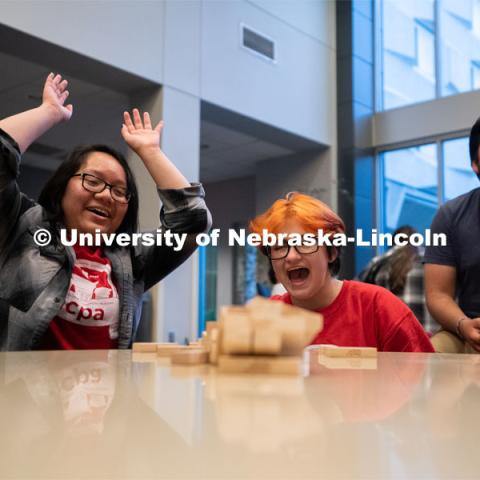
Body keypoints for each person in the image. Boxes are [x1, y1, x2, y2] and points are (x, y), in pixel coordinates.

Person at [0, 73, 211, 351]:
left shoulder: (133, 259)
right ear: (63, 187)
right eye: (93, 181)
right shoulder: (24, 228)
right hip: (22, 393)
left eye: (119, 190)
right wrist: (48, 112)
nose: (105, 195)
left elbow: (193, 222)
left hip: (109, 393)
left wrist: (150, 152)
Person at [249, 192, 434, 352]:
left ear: (332, 252)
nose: (290, 256)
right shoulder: (268, 317)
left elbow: (429, 378)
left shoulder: (377, 307)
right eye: (280, 246)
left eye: (304, 243)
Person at [424, 116, 480, 352]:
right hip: (473, 330)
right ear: (475, 165)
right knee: (436, 351)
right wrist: (463, 325)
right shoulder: (452, 215)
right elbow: (438, 294)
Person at [358, 226, 438, 334]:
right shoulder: (435, 262)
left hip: (396, 343)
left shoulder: (378, 264)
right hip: (434, 342)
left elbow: (355, 296)